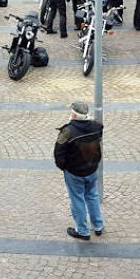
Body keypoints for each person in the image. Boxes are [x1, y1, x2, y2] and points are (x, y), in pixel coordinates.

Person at [54, 101, 104, 241]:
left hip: (74, 173)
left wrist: (64, 167)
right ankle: (98, 226)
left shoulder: (68, 131)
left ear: (74, 115)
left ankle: (83, 231)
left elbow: (59, 154)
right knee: (92, 196)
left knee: (77, 200)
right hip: (92, 169)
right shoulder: (97, 126)